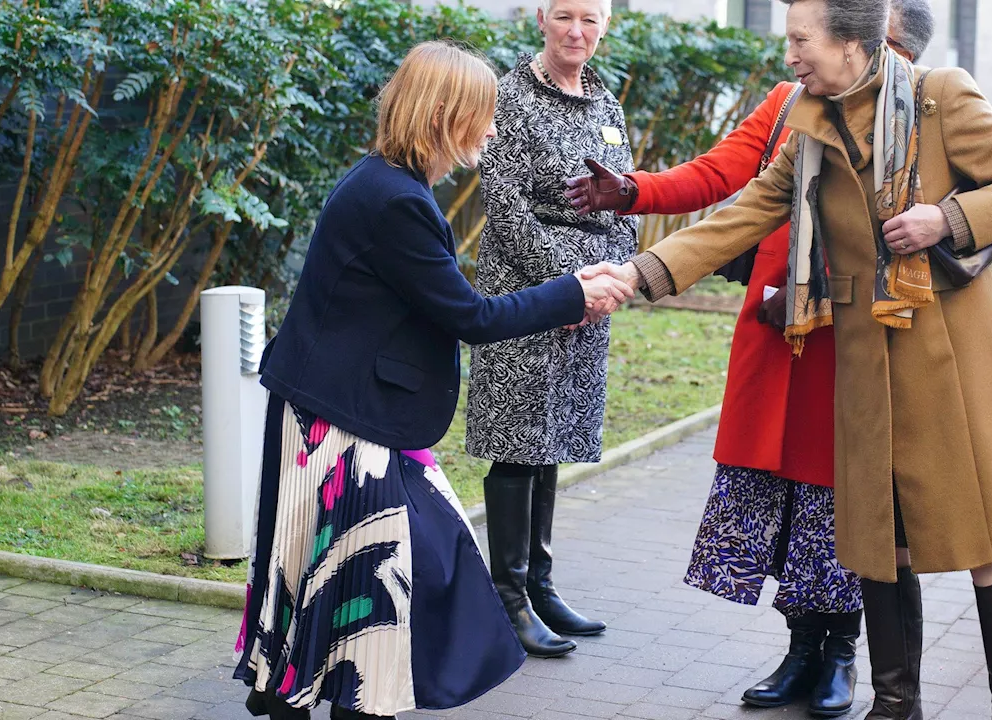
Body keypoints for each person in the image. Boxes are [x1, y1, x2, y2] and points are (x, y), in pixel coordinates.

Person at [581, 0, 992, 717]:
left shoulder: (942, 98)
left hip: (954, 368)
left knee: (987, 542)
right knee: (883, 547)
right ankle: (895, 707)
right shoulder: (810, 120)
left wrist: (946, 218)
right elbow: (742, 214)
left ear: (850, 43)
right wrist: (639, 274)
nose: (790, 56)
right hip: (867, 371)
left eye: (801, 40)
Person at [233, 41, 634, 720]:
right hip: (335, 419)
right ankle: (333, 699)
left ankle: (296, 695)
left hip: (344, 410)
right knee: (369, 571)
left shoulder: (390, 183)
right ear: (447, 115)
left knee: (349, 567)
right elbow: (467, 315)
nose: (494, 127)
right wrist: (573, 293)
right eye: (484, 113)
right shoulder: (394, 199)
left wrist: (571, 289)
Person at [561, 3, 934, 715]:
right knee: (782, 504)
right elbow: (722, 177)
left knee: (839, 503)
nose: (802, 56)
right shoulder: (788, 102)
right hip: (774, 332)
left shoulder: (913, 112)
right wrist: (635, 190)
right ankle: (799, 651)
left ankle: (840, 657)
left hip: (852, 338)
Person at [465, 0, 639, 659]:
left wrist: (615, 275)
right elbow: (505, 206)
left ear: (605, 24)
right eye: (565, 15)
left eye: (590, 18)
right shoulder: (508, 94)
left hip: (590, 294)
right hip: (526, 293)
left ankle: (539, 584)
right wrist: (572, 284)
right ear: (541, 17)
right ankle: (506, 597)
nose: (577, 31)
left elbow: (625, 194)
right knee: (518, 439)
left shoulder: (604, 101)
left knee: (555, 435)